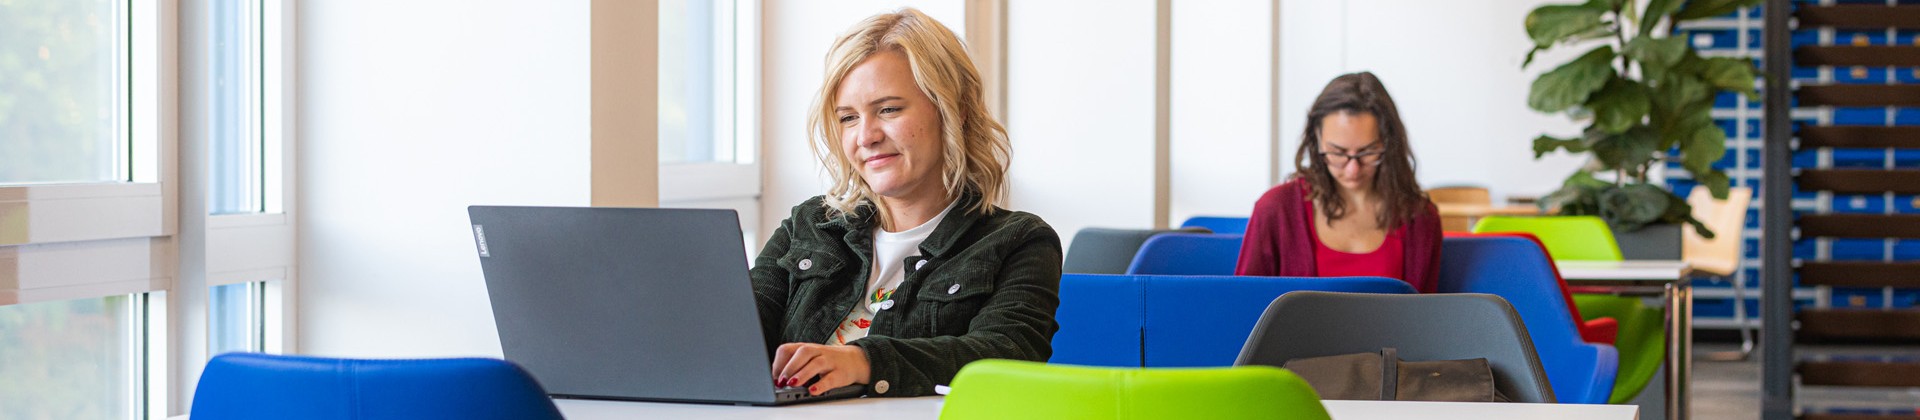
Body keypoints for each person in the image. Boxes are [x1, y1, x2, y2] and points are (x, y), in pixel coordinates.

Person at [749, 8, 1062, 398]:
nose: (866, 136)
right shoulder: (809, 224)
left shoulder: (1020, 241)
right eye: (848, 118)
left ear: (954, 112)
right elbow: (737, 333)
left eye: (888, 110)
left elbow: (1005, 357)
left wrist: (865, 361)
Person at [1234, 72, 1442, 293]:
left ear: (1388, 144)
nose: (1352, 169)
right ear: (1316, 139)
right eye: (1337, 152)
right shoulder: (1275, 209)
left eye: (1368, 152)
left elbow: (1425, 317)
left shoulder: (1420, 219)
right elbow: (1243, 305)